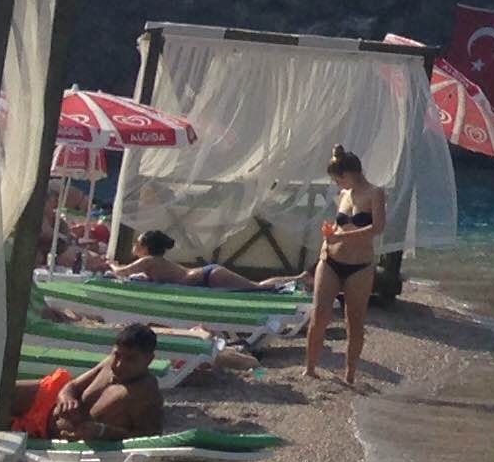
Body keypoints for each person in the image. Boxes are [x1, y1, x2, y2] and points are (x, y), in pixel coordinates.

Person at [303, 144, 387, 393]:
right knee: (319, 314)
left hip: (359, 264)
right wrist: (330, 234)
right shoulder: (344, 195)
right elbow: (341, 228)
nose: (336, 184)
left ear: (349, 174)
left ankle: (350, 372)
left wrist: (343, 238)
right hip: (331, 259)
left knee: (355, 320)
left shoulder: (374, 193)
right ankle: (309, 368)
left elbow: (377, 228)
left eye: (337, 179)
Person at [9, 323, 165, 442]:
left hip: (46, 432)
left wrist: (102, 431)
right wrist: (66, 398)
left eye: (131, 359)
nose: (119, 364)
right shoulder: (109, 364)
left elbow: (149, 439)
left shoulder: (146, 394)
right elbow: (71, 386)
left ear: (149, 360)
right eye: (117, 355)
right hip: (48, 399)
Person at [109, 227, 301, 292]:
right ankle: (297, 279)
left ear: (145, 247)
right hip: (207, 274)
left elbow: (122, 272)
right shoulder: (154, 261)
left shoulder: (148, 261)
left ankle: (299, 279)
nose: (134, 246)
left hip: (208, 276)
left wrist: (110, 263)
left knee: (257, 287)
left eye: (137, 243)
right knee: (256, 286)